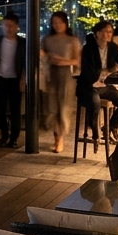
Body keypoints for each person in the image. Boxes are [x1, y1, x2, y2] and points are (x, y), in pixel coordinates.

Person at [76, 20, 118, 145]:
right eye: (104, 32)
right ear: (97, 33)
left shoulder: (113, 47)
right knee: (95, 102)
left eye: (110, 32)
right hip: (89, 85)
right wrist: (98, 76)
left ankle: (110, 127)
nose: (108, 34)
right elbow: (86, 70)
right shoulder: (88, 48)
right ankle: (95, 133)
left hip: (105, 84)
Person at [41, 10, 80, 154]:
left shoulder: (72, 40)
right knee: (52, 107)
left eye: (60, 22)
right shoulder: (47, 39)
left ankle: (60, 139)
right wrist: (48, 58)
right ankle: (56, 137)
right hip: (50, 74)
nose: (57, 25)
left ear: (65, 23)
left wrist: (59, 60)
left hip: (66, 76)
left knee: (63, 107)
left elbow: (77, 61)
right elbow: (42, 55)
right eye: (54, 23)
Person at [0, 12, 25, 148]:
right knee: (0, 109)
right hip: (0, 78)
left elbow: (25, 62)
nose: (8, 28)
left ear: (16, 27)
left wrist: (23, 79)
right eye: (5, 25)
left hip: (15, 79)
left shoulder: (22, 43)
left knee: (15, 110)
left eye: (10, 26)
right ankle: (4, 135)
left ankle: (14, 138)